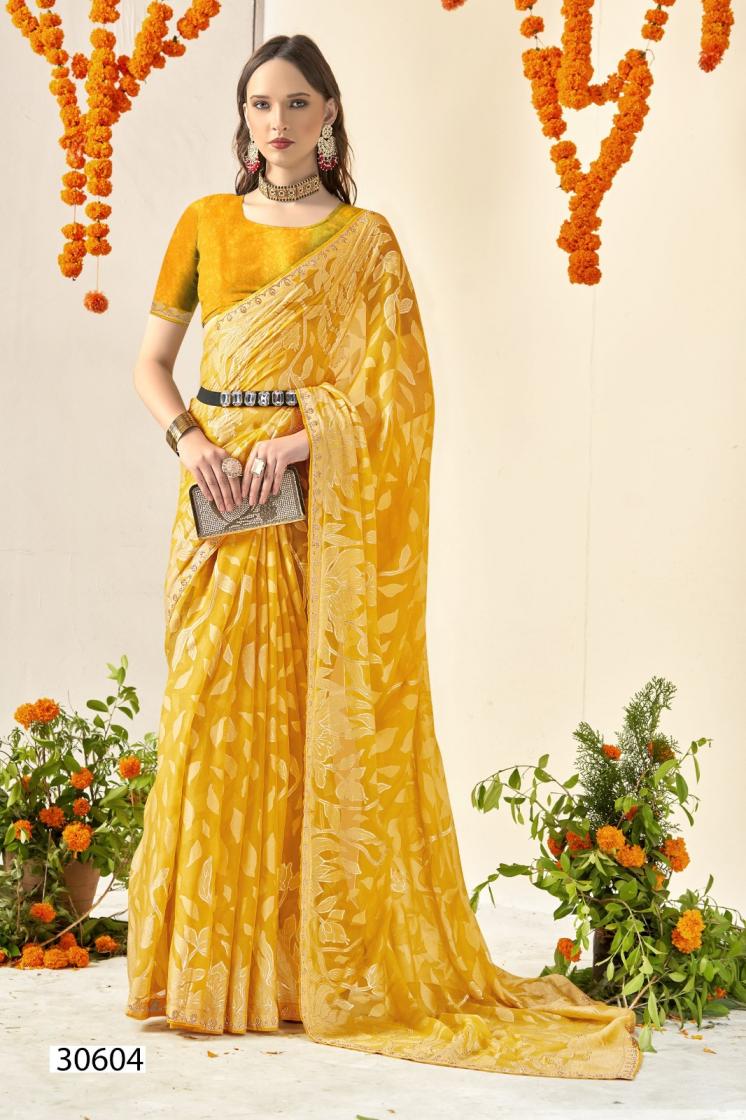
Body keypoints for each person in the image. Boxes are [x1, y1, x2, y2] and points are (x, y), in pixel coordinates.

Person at [124, 33, 642, 1080]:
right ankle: (210, 973)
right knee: (213, 721)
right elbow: (152, 363)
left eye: (296, 103)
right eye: (260, 104)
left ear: (329, 114)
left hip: (309, 507)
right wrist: (191, 444)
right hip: (215, 498)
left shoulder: (365, 241)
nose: (276, 122)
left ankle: (295, 975)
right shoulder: (204, 222)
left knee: (306, 724)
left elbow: (401, 396)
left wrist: (298, 442)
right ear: (242, 117)